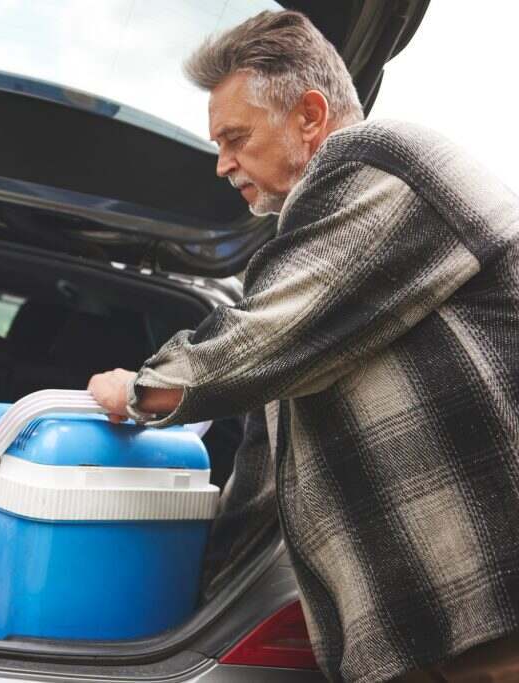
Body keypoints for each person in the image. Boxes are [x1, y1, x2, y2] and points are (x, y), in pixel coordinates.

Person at [88, 10, 519, 683]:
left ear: (311, 116)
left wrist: (137, 389)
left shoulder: (381, 163)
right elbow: (267, 460)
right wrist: (206, 574)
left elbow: (252, 344)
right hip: (430, 626)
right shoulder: (314, 275)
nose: (222, 162)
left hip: (492, 604)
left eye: (236, 137)